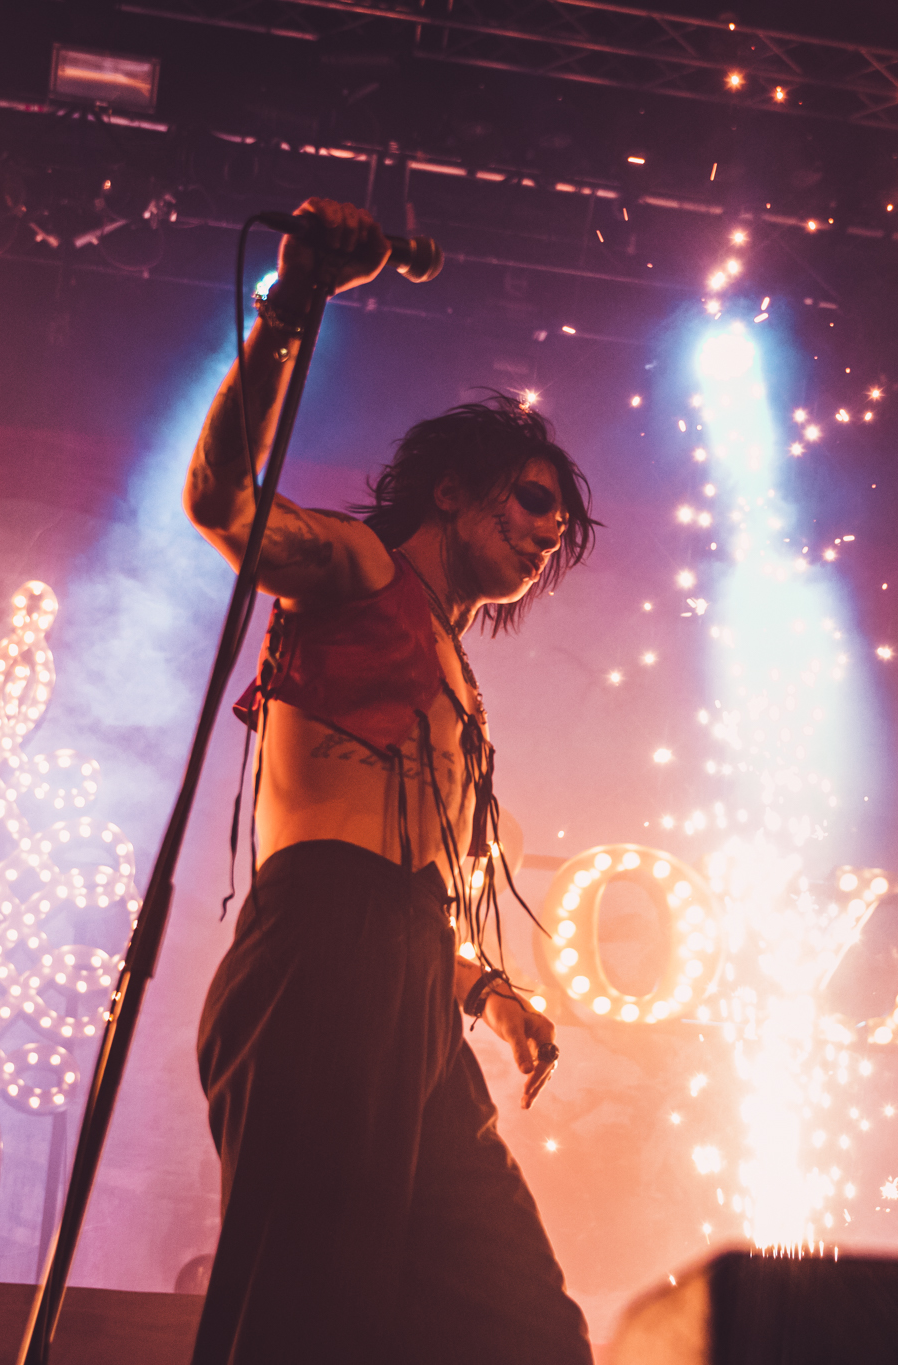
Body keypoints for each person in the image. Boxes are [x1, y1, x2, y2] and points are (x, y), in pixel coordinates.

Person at [182, 198, 597, 1365]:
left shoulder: (460, 678)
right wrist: (291, 309)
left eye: (558, 533)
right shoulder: (361, 573)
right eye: (530, 501)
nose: (544, 538)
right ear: (453, 490)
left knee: (523, 1327)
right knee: (305, 1316)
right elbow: (222, 502)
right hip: (320, 956)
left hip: (412, 986)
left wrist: (482, 992)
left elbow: (413, 882)